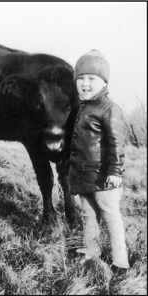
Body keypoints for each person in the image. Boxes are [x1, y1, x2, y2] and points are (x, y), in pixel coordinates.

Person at [67, 49, 129, 275]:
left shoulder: (110, 108)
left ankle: (120, 261)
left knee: (111, 217)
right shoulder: (84, 107)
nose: (85, 83)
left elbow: (116, 143)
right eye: (80, 78)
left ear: (104, 82)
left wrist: (115, 171)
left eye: (91, 79)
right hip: (84, 175)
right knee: (89, 216)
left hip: (104, 177)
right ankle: (91, 251)